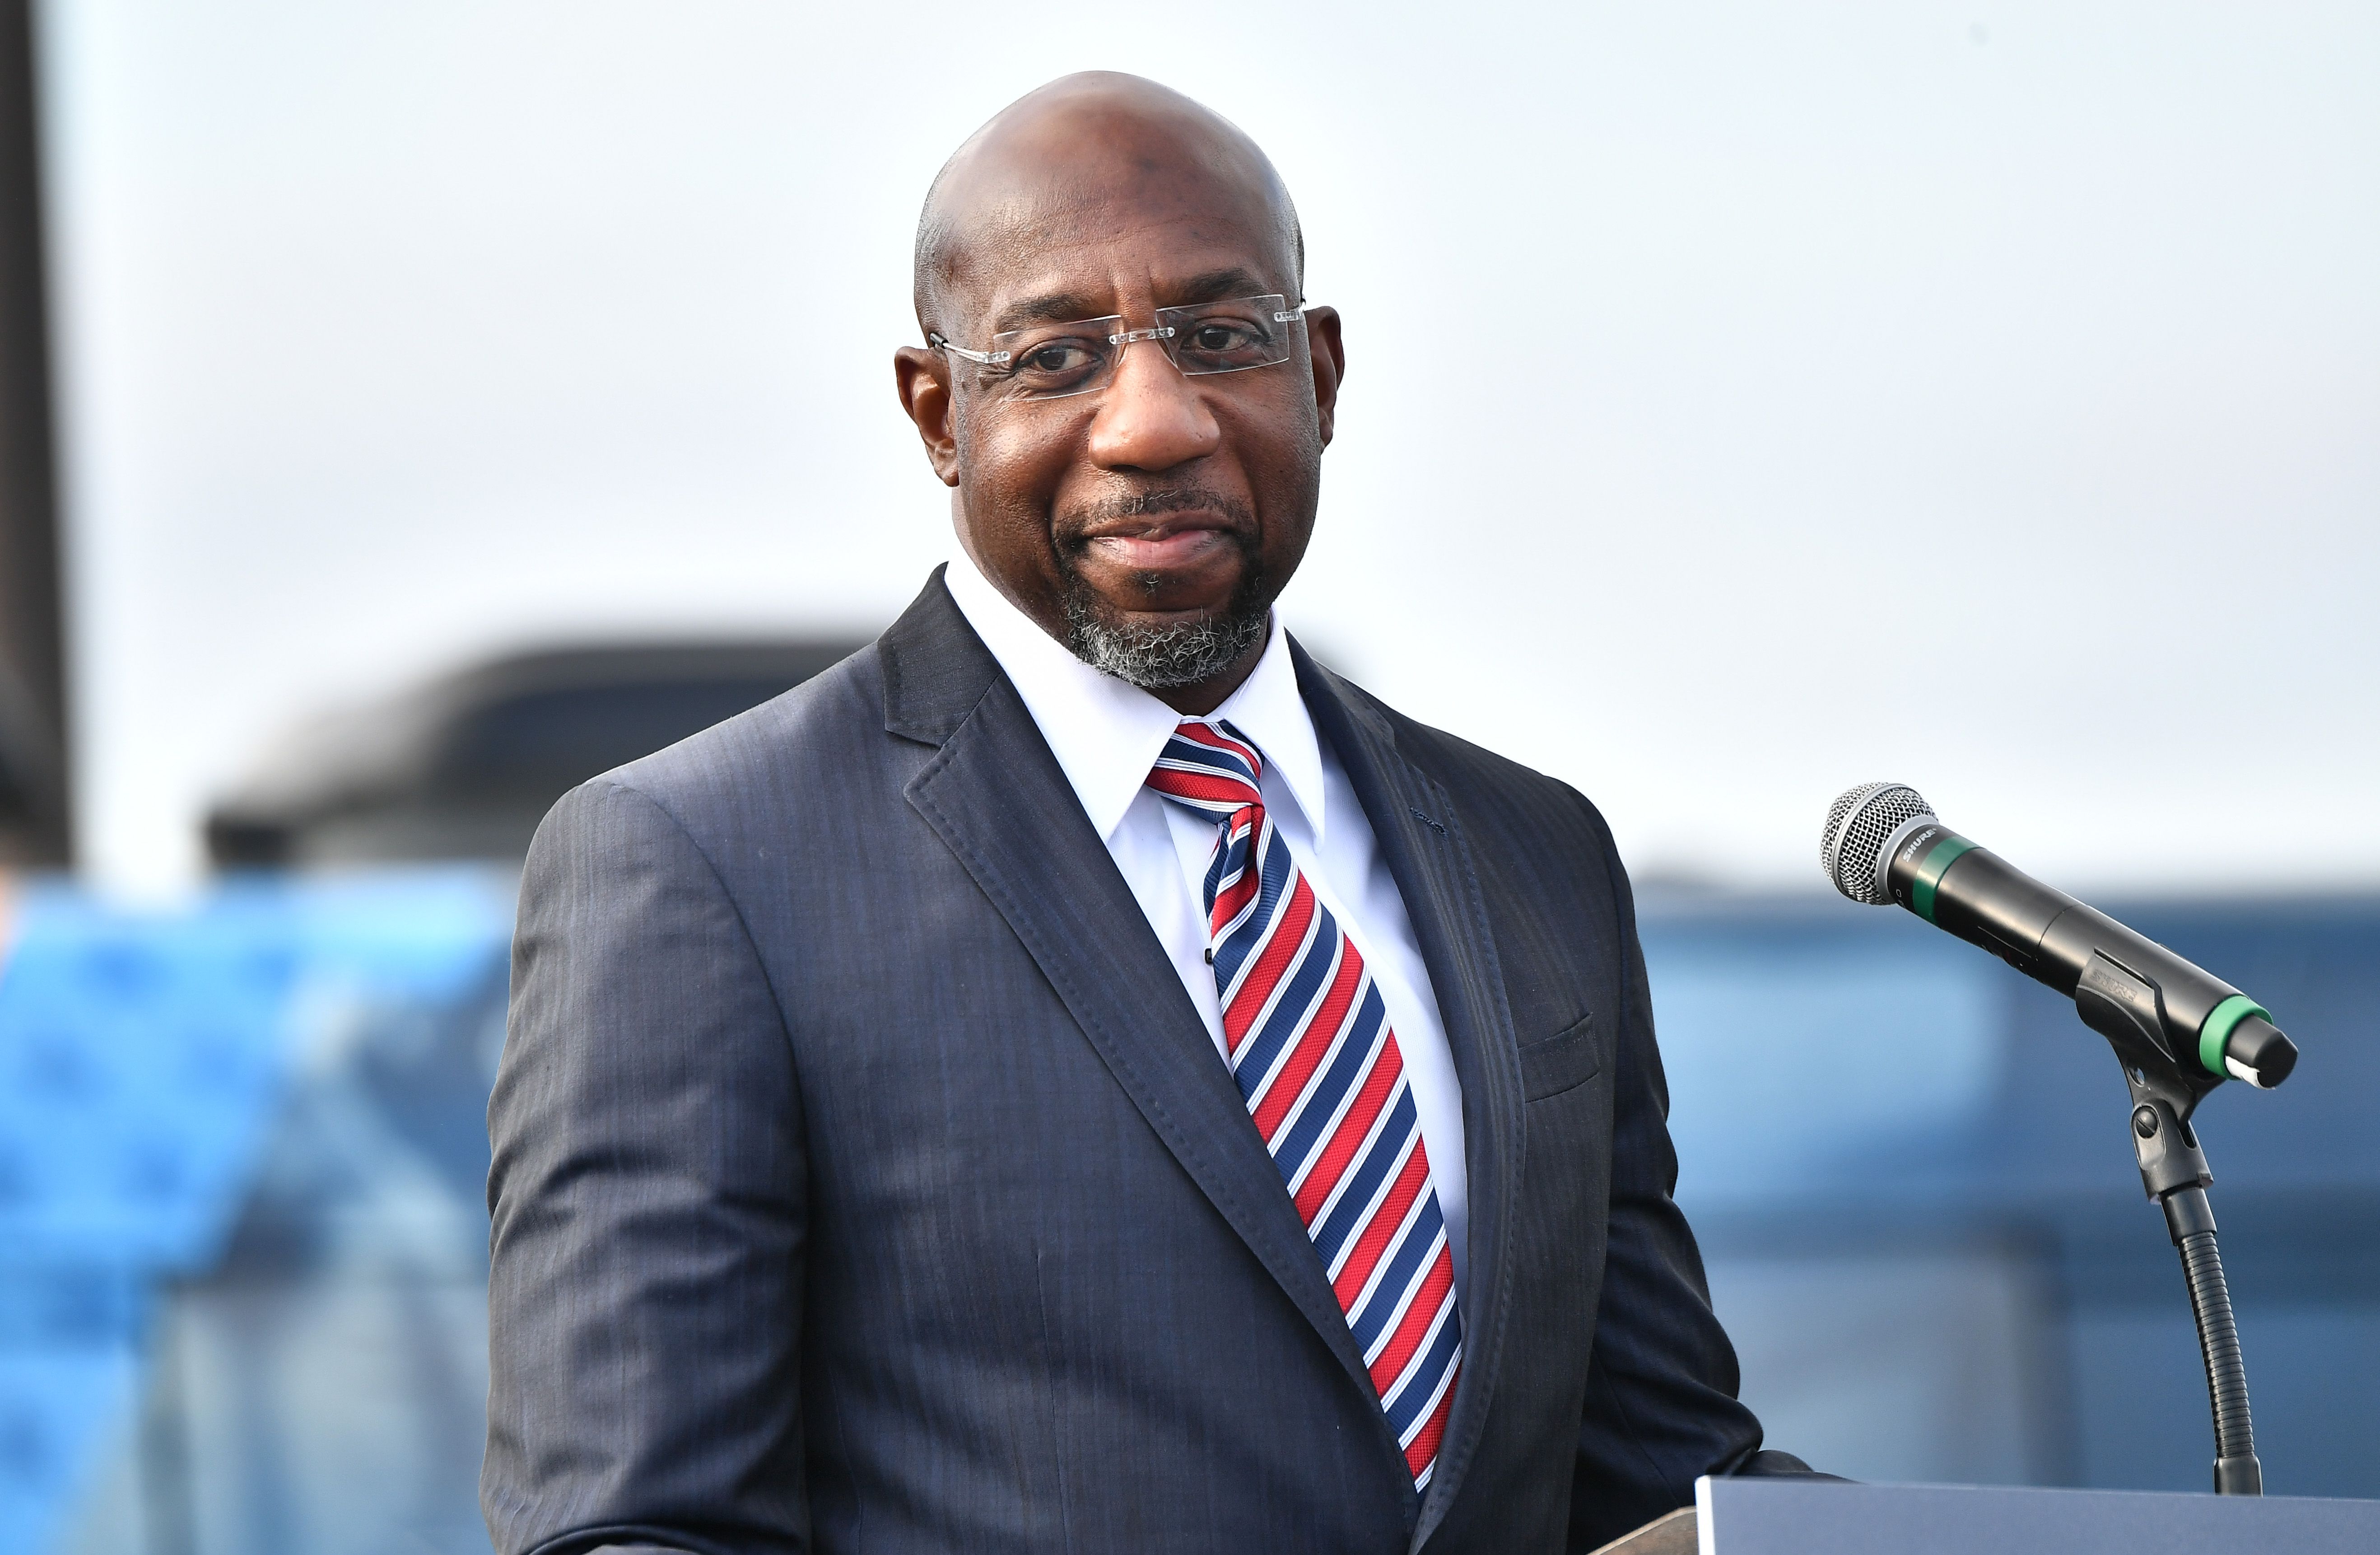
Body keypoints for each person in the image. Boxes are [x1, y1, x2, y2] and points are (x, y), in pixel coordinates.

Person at [484, 71, 1816, 1555]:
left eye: (1219, 337)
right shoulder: (705, 868)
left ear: (1320, 374)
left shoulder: (1535, 857)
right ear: (939, 412)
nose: (1154, 422)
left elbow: (1662, 1479)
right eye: (1056, 357)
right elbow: (640, 1530)